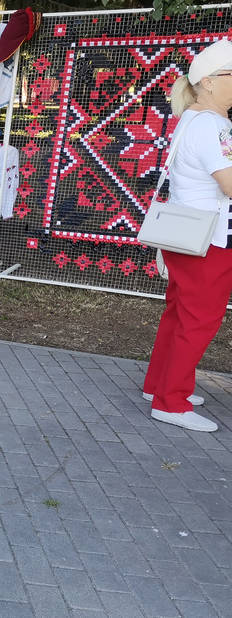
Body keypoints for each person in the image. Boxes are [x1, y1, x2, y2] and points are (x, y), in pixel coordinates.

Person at [142, 39, 232, 433]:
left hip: (184, 234)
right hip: (209, 238)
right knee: (199, 319)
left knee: (179, 314)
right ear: (209, 82)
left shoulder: (191, 118)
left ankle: (159, 386)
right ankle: (171, 402)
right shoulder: (215, 125)